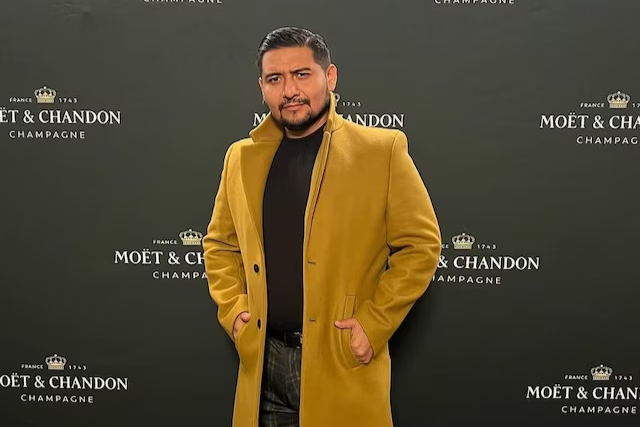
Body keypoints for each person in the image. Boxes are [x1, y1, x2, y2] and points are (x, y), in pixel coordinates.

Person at [202, 26, 442, 427]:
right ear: (261, 88)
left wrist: (374, 323)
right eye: (275, 79)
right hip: (263, 366)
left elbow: (421, 244)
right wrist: (234, 311)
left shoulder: (381, 151)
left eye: (302, 74)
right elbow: (219, 245)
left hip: (339, 361)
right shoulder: (240, 158)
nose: (289, 90)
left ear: (329, 77)